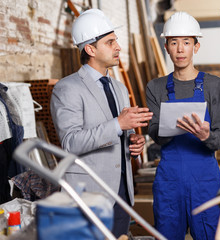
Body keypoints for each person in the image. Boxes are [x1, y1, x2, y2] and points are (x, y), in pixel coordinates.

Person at [50, 9, 153, 238]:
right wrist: (118, 124)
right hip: (89, 196)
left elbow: (118, 135)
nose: (118, 47)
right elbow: (70, 143)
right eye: (110, 42)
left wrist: (134, 143)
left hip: (122, 194)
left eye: (116, 41)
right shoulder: (67, 88)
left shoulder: (119, 88)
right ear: (90, 49)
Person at [146, 12, 220, 240]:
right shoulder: (156, 87)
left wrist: (206, 136)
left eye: (186, 42)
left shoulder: (215, 85)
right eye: (174, 42)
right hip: (169, 183)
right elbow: (154, 132)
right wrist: (169, 128)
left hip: (205, 182)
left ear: (196, 46)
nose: (180, 49)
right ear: (166, 47)